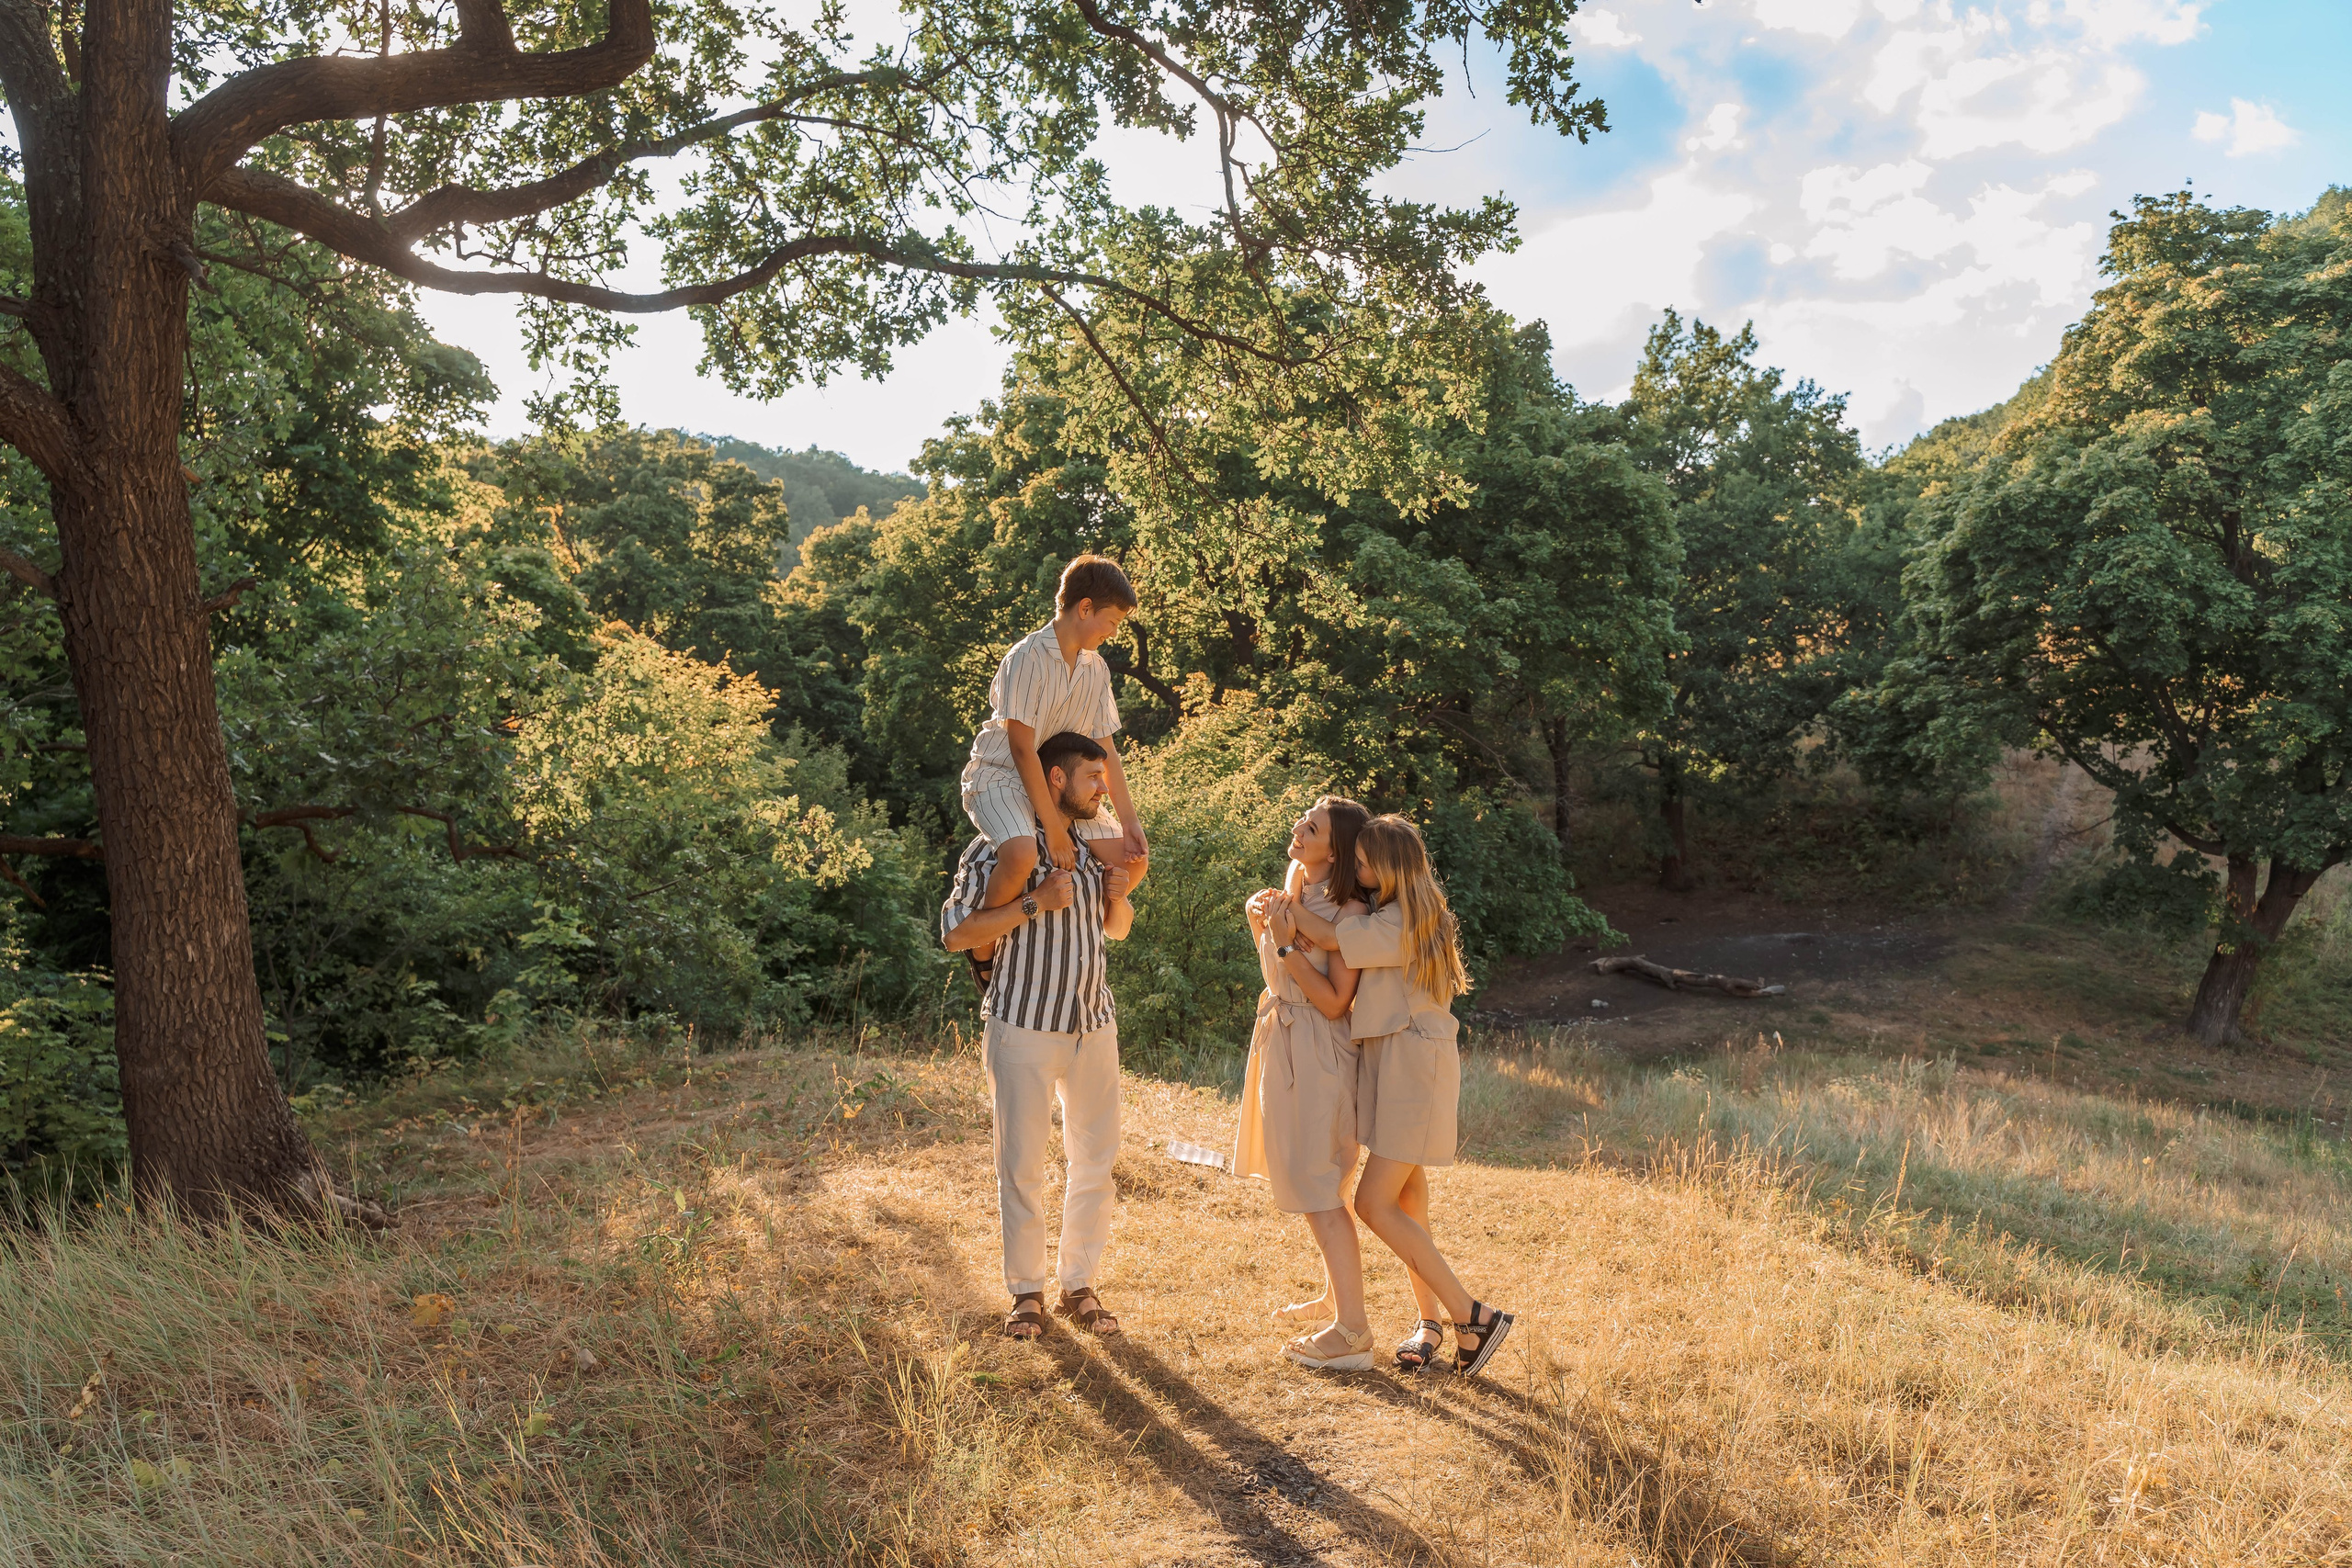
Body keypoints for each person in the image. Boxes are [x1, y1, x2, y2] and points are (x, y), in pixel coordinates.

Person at [1263, 814, 1515, 1376]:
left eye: (1365, 862)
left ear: (1393, 868)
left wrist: (1282, 922)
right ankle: (1433, 1323)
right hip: (1389, 1061)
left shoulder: (1402, 921)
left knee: (1372, 1203)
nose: (1357, 869)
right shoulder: (1394, 913)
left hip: (1412, 1067)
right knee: (1406, 1199)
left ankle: (1471, 1314)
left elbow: (1327, 937)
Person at [942, 729, 1137, 1340]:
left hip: (1093, 1024)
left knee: (1095, 1161)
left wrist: (1120, 896)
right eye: (1092, 777)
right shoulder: (1001, 849)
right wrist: (1034, 903)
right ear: (1056, 779)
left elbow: (1119, 929)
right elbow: (955, 934)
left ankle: (1077, 1283)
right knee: (1021, 1164)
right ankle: (1026, 1292)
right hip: (1022, 1024)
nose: (1103, 788)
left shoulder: (1092, 845)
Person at [959, 556, 1149, 990]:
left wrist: (1131, 820)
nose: (1114, 632)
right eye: (1112, 620)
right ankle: (983, 954)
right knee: (1024, 853)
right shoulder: (1027, 657)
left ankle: (1074, 937)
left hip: (1060, 780)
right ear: (1085, 608)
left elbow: (1108, 752)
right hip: (1002, 774)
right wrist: (1054, 829)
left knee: (1133, 861)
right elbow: (1022, 749)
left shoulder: (1095, 668)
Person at [1236, 797, 1374, 1370]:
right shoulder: (1295, 886)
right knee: (1322, 1183)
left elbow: (1338, 1003)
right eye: (1302, 818)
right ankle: (1334, 1297)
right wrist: (1259, 924)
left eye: (1312, 827)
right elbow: (1279, 968)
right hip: (1284, 1039)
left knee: (1320, 1186)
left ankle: (1353, 1334)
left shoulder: (1350, 912)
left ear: (1335, 849)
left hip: (1320, 1049)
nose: (1298, 826)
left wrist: (1290, 945)